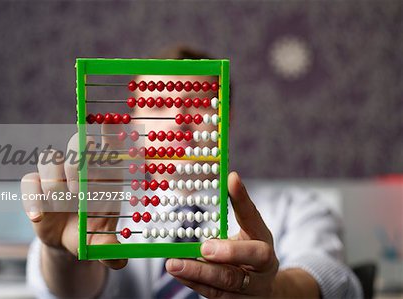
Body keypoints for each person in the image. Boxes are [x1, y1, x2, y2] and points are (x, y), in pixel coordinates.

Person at [22, 47, 363, 298]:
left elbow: (332, 279)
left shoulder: (298, 208)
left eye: (198, 100)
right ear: (134, 123)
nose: (179, 118)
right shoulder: (103, 210)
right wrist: (62, 253)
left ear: (226, 116)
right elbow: (81, 293)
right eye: (157, 104)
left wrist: (273, 291)